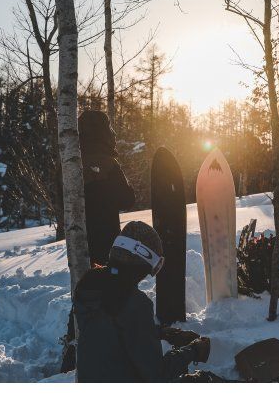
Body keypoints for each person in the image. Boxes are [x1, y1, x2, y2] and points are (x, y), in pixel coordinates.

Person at [74, 221, 210, 382]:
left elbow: (111, 331)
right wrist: (193, 351)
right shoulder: (134, 302)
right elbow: (157, 376)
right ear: (141, 263)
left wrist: (161, 332)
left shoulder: (90, 285)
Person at [78, 110, 135, 265]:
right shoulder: (108, 163)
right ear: (102, 132)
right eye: (109, 128)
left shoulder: (69, 162)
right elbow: (127, 200)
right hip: (106, 241)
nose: (113, 134)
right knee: (107, 283)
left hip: (78, 244)